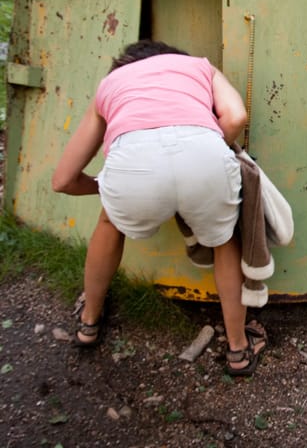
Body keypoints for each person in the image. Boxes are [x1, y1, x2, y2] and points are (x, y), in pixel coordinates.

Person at [52, 40, 266, 376]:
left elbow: (63, 180)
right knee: (224, 238)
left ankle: (88, 322)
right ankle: (239, 350)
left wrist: (111, 189)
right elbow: (236, 116)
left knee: (110, 222)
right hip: (205, 154)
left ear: (125, 65)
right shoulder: (200, 65)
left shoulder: (110, 85)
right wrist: (201, 158)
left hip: (132, 167)